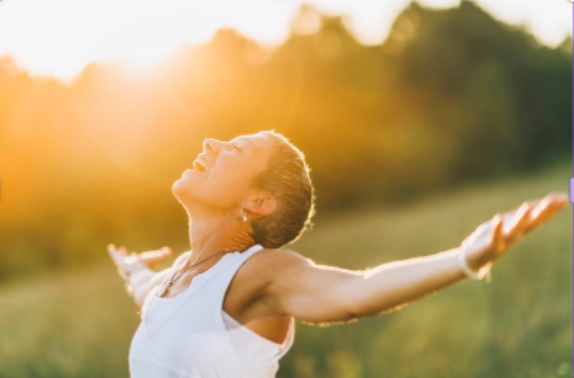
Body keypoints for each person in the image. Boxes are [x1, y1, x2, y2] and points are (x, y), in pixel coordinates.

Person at [108, 131, 567, 378]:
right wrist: (134, 270)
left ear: (259, 202)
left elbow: (356, 291)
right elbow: (151, 300)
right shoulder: (180, 276)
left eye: (235, 149)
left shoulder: (258, 273)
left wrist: (466, 257)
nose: (211, 143)